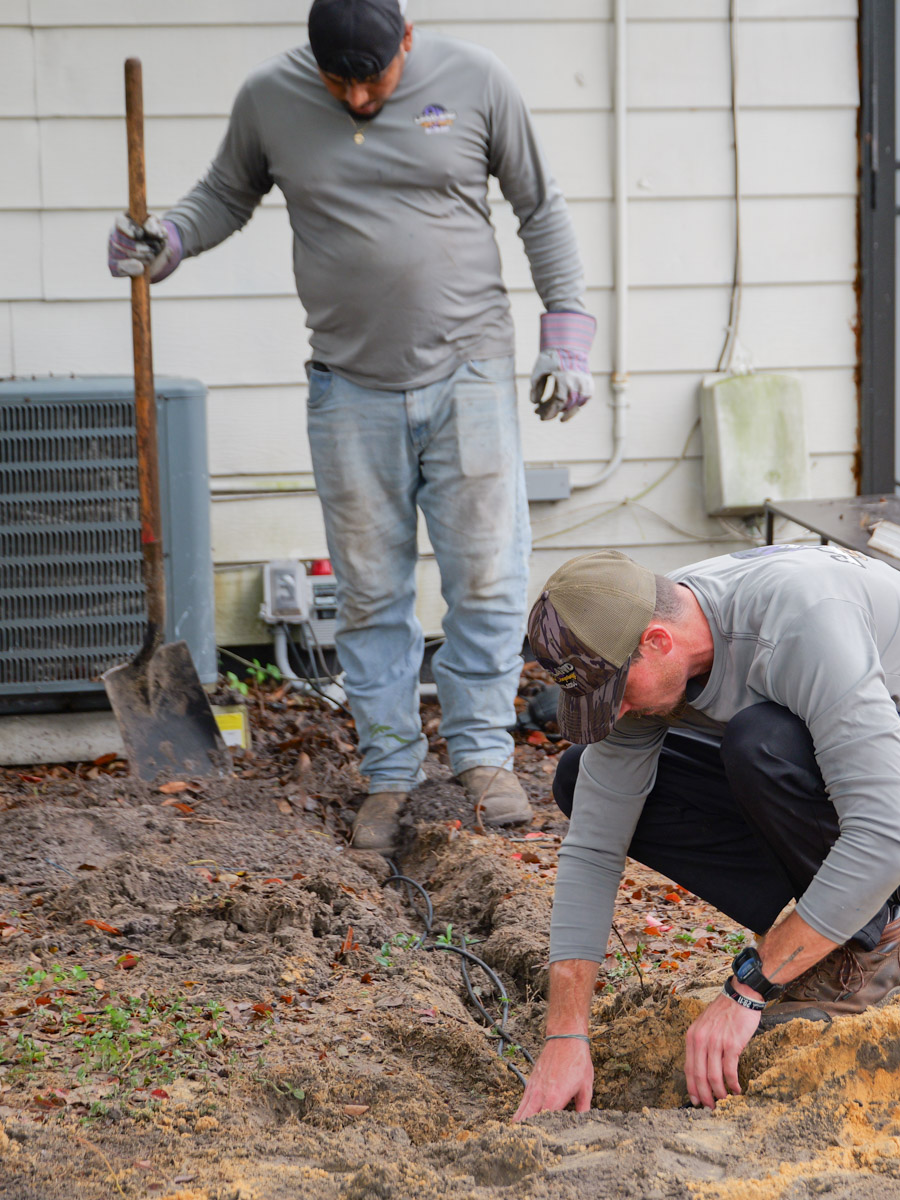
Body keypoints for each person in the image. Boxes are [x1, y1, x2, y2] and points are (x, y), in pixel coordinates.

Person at [107, 0, 595, 844]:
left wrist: (568, 336)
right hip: (349, 386)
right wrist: (172, 237)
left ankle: (481, 754)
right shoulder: (273, 96)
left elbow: (539, 206)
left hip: (469, 371)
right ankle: (390, 769)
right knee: (370, 591)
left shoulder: (477, 81)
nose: (360, 100)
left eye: (375, 80)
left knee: (487, 577)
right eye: (341, 83)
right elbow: (227, 191)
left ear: (408, 38)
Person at [513, 545, 900, 1118]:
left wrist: (750, 986)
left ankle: (877, 947)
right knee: (577, 777)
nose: (614, 715)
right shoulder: (641, 632)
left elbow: (885, 834)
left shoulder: (801, 624)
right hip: (850, 755)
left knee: (763, 742)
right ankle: (842, 918)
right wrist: (565, 1035)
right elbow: (593, 845)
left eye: (615, 695)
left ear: (658, 642)